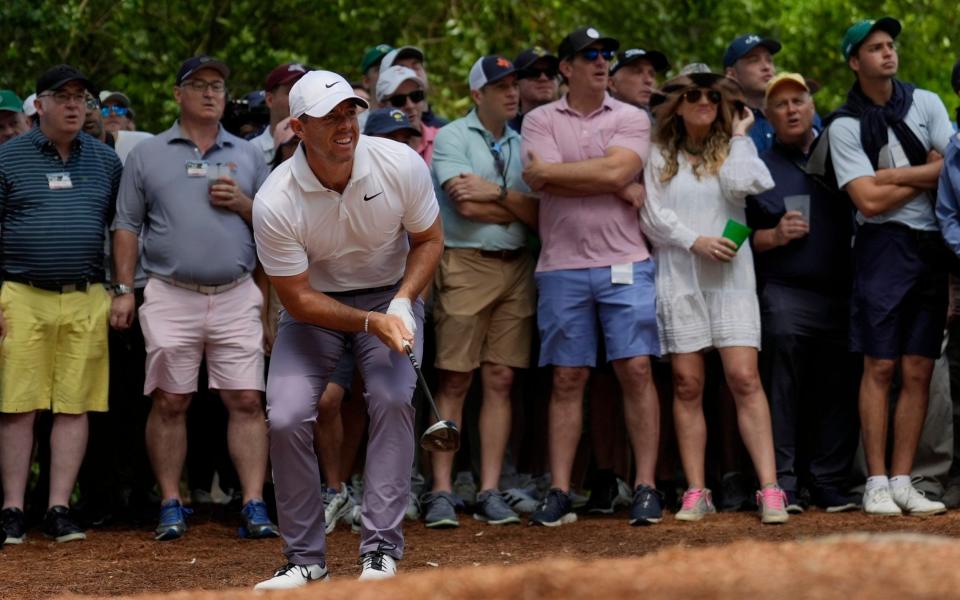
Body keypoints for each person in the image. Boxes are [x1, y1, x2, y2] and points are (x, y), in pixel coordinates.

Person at [251, 70, 443, 588]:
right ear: (297, 127)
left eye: (349, 112)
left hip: (390, 294)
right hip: (315, 307)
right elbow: (295, 297)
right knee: (288, 414)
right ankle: (304, 558)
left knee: (391, 396)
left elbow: (428, 240)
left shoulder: (398, 162)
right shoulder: (275, 199)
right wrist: (367, 321)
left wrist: (402, 302)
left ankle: (380, 550)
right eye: (328, 116)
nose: (344, 124)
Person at [111, 55, 279, 540]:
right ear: (177, 93)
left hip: (236, 292)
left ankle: (252, 503)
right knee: (170, 400)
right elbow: (126, 225)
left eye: (219, 86)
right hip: (169, 292)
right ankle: (170, 502)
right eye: (200, 85)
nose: (211, 93)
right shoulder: (149, 153)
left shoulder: (248, 155)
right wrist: (123, 289)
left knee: (248, 399)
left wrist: (246, 205)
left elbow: (273, 228)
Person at [521, 26, 664, 527]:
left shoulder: (632, 116)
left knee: (637, 371)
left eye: (607, 53)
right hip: (561, 266)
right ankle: (560, 489)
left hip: (626, 261)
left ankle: (645, 485)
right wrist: (609, 176)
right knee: (567, 378)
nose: (602, 62)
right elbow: (541, 176)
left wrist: (573, 175)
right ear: (566, 67)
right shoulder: (538, 118)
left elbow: (584, 174)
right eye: (590, 56)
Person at [638, 71, 788, 524]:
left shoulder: (733, 148)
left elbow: (752, 185)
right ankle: (696, 490)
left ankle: (770, 488)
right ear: (678, 105)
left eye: (711, 95)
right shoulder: (659, 152)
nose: (703, 100)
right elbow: (651, 214)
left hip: (731, 277)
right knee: (688, 384)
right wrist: (694, 241)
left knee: (744, 377)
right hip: (681, 274)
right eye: (692, 94)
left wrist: (741, 134)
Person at [825, 17, 953, 516]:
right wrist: (928, 173)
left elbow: (954, 164)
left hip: (930, 245)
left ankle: (903, 480)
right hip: (881, 248)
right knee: (879, 364)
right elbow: (868, 202)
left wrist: (897, 174)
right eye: (875, 48)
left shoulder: (927, 102)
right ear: (855, 62)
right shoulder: (843, 124)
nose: (887, 53)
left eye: (890, 45)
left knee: (919, 366)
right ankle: (875, 481)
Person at [0, 64, 122, 544]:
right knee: (17, 405)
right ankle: (11, 508)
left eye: (81, 97)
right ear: (40, 105)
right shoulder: (8, 158)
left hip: (87, 295)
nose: (75, 105)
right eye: (63, 96)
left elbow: (121, 231)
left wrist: (121, 289)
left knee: (76, 405)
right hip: (20, 293)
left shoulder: (105, 160)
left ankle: (58, 507)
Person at [422, 55, 539, 528]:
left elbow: (540, 216)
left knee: (501, 380)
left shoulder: (526, 140)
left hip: (516, 269)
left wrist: (498, 196)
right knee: (455, 379)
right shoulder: (451, 136)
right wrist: (516, 205)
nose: (511, 93)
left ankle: (489, 488)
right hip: (465, 264)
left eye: (514, 85)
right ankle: (442, 491)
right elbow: (463, 203)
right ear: (477, 95)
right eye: (500, 86)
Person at [746, 73, 861, 513]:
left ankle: (829, 481)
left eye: (799, 100)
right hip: (787, 292)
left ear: (813, 106)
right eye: (781, 105)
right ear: (769, 117)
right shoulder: (758, 165)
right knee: (783, 387)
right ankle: (785, 482)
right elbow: (732, 233)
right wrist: (771, 236)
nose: (792, 109)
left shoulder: (843, 154)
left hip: (845, 288)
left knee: (841, 385)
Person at [723, 34, 780, 152]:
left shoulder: (796, 112)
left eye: (769, 60)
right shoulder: (721, 124)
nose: (766, 67)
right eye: (754, 60)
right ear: (732, 74)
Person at [251, 63, 312, 163]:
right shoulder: (249, 152)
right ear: (270, 100)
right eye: (292, 92)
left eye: (305, 91)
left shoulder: (321, 147)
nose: (301, 98)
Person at [376, 66, 438, 164]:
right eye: (398, 100)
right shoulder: (372, 149)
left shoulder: (445, 138)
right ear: (381, 107)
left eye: (416, 96)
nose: (410, 105)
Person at [380, 45, 447, 127]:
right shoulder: (369, 135)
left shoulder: (447, 130)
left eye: (416, 67)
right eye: (402, 69)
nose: (411, 73)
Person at [510, 47, 560, 132]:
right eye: (533, 73)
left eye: (550, 72)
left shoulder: (574, 124)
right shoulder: (504, 130)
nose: (543, 78)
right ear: (516, 83)